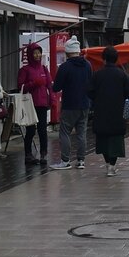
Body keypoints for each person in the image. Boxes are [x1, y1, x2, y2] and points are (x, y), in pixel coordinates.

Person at [50, 36, 93, 170]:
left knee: (65, 132)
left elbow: (56, 87)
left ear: (67, 52)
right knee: (81, 133)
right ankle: (81, 160)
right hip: (85, 103)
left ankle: (65, 160)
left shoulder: (65, 66)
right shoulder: (88, 65)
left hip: (69, 104)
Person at [88, 46, 129, 177]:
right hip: (118, 111)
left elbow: (89, 91)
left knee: (103, 138)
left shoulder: (97, 74)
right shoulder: (122, 75)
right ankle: (112, 164)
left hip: (101, 110)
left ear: (104, 59)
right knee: (116, 139)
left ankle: (107, 163)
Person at [17, 42, 53, 166]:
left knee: (43, 130)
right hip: (30, 105)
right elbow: (20, 87)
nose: (37, 55)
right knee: (30, 130)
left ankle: (43, 154)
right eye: (35, 53)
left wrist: (52, 99)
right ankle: (28, 154)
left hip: (42, 103)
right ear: (30, 55)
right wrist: (33, 84)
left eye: (39, 53)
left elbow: (49, 85)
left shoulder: (44, 68)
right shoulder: (24, 70)